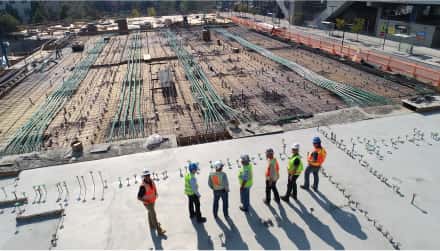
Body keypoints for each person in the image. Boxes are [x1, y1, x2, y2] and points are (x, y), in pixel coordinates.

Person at [137, 170, 166, 236]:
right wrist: (146, 201)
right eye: (146, 176)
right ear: (144, 176)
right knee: (154, 216)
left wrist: (155, 193)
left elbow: (153, 188)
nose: (148, 176)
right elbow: (139, 197)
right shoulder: (142, 186)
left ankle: (152, 226)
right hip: (148, 203)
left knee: (150, 213)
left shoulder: (151, 181)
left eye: (148, 175)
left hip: (152, 201)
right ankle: (159, 231)